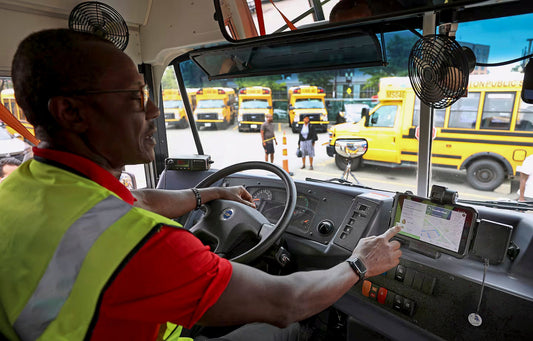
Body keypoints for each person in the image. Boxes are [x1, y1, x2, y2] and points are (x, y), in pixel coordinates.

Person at [0, 29, 402, 341]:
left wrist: (211, 193)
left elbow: (137, 199)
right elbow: (287, 301)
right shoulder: (138, 242)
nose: (155, 110)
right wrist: (360, 262)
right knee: (292, 329)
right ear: (71, 112)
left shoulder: (24, 187)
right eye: (136, 98)